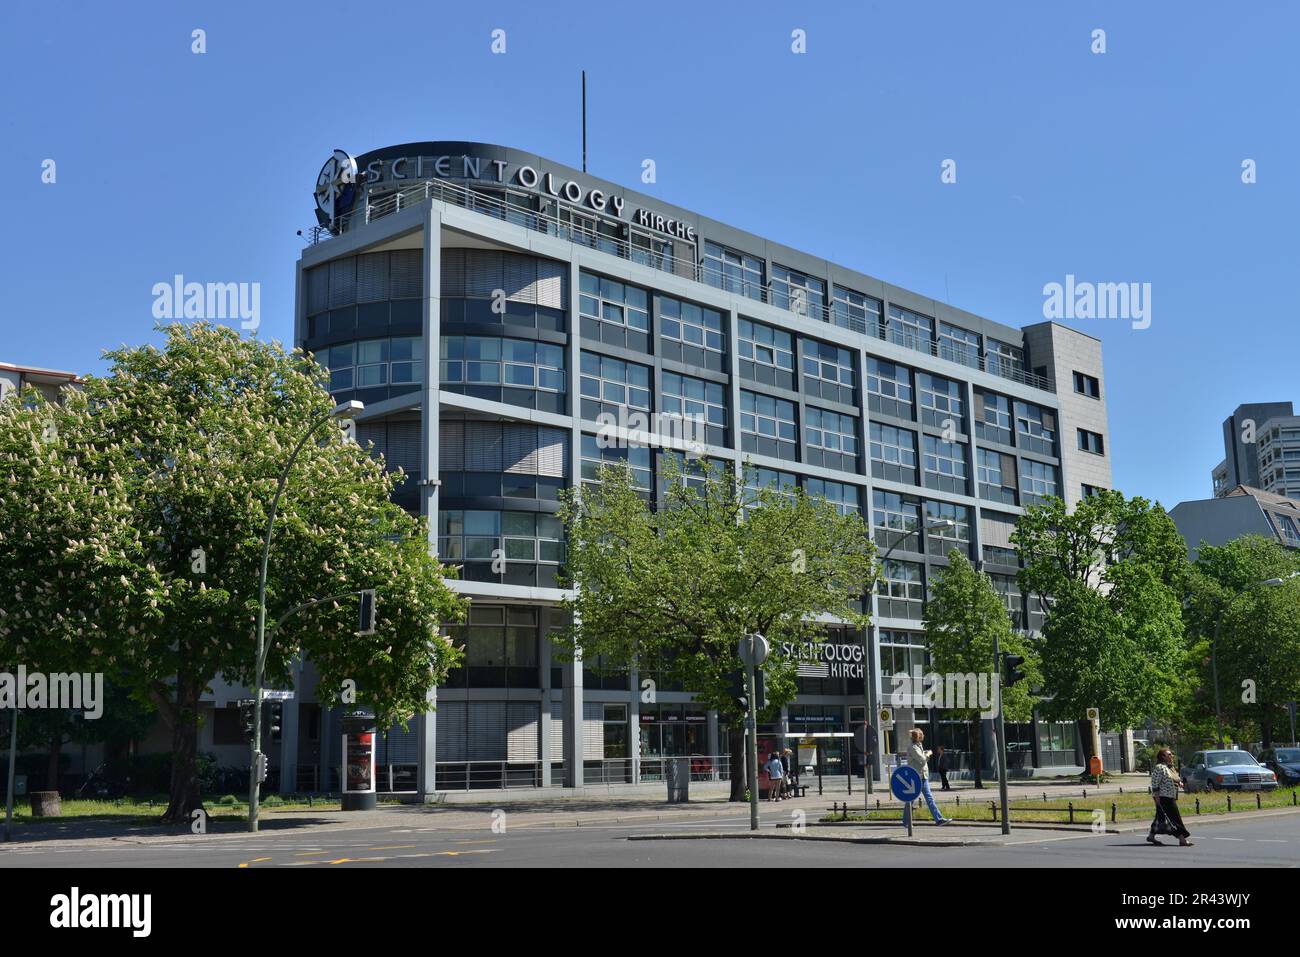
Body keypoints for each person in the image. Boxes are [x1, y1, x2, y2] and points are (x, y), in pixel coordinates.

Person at [1148, 748, 1193, 846]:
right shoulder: (1159, 767)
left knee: (1161, 817)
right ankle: (1182, 839)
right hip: (1163, 797)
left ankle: (1151, 836)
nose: (1171, 756)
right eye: (1168, 754)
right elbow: (1155, 783)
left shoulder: (1170, 767)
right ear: (1162, 757)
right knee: (1174, 818)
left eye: (1171, 754)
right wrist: (1157, 798)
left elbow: (1174, 778)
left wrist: (1179, 782)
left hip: (1170, 796)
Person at [908, 728, 951, 825]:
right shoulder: (913, 747)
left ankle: (938, 819)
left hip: (922, 776)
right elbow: (922, 760)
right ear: (918, 736)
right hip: (916, 777)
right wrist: (928, 754)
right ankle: (906, 821)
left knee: (929, 798)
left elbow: (920, 758)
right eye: (922, 734)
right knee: (910, 800)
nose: (923, 735)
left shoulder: (919, 745)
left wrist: (924, 753)